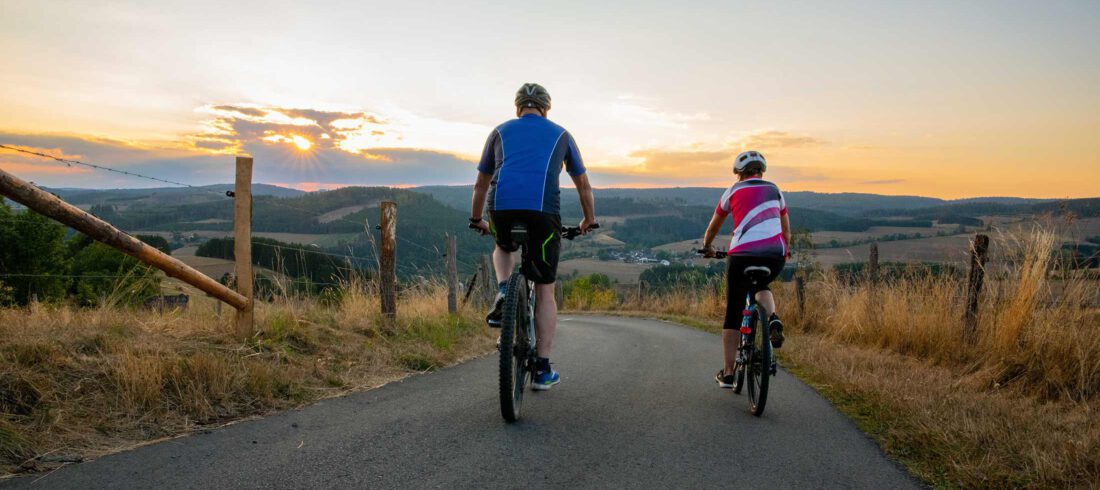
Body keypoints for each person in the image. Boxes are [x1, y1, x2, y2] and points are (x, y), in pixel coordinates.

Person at [469, 82, 597, 391]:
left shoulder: (499, 132)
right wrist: (588, 219)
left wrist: (476, 219)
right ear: (546, 108)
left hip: (501, 208)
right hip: (543, 212)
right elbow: (583, 184)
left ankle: (503, 290)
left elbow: (481, 184)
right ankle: (542, 369)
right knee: (545, 291)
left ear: (518, 107)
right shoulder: (561, 134)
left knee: (502, 246)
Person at [701, 150, 790, 389]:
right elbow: (786, 230)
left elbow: (713, 227)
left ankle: (729, 373)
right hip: (774, 254)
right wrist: (783, 251)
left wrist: (707, 247)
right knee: (762, 285)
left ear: (739, 174)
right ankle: (772, 318)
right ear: (761, 171)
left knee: (733, 311)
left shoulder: (732, 191)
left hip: (741, 254)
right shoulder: (775, 190)